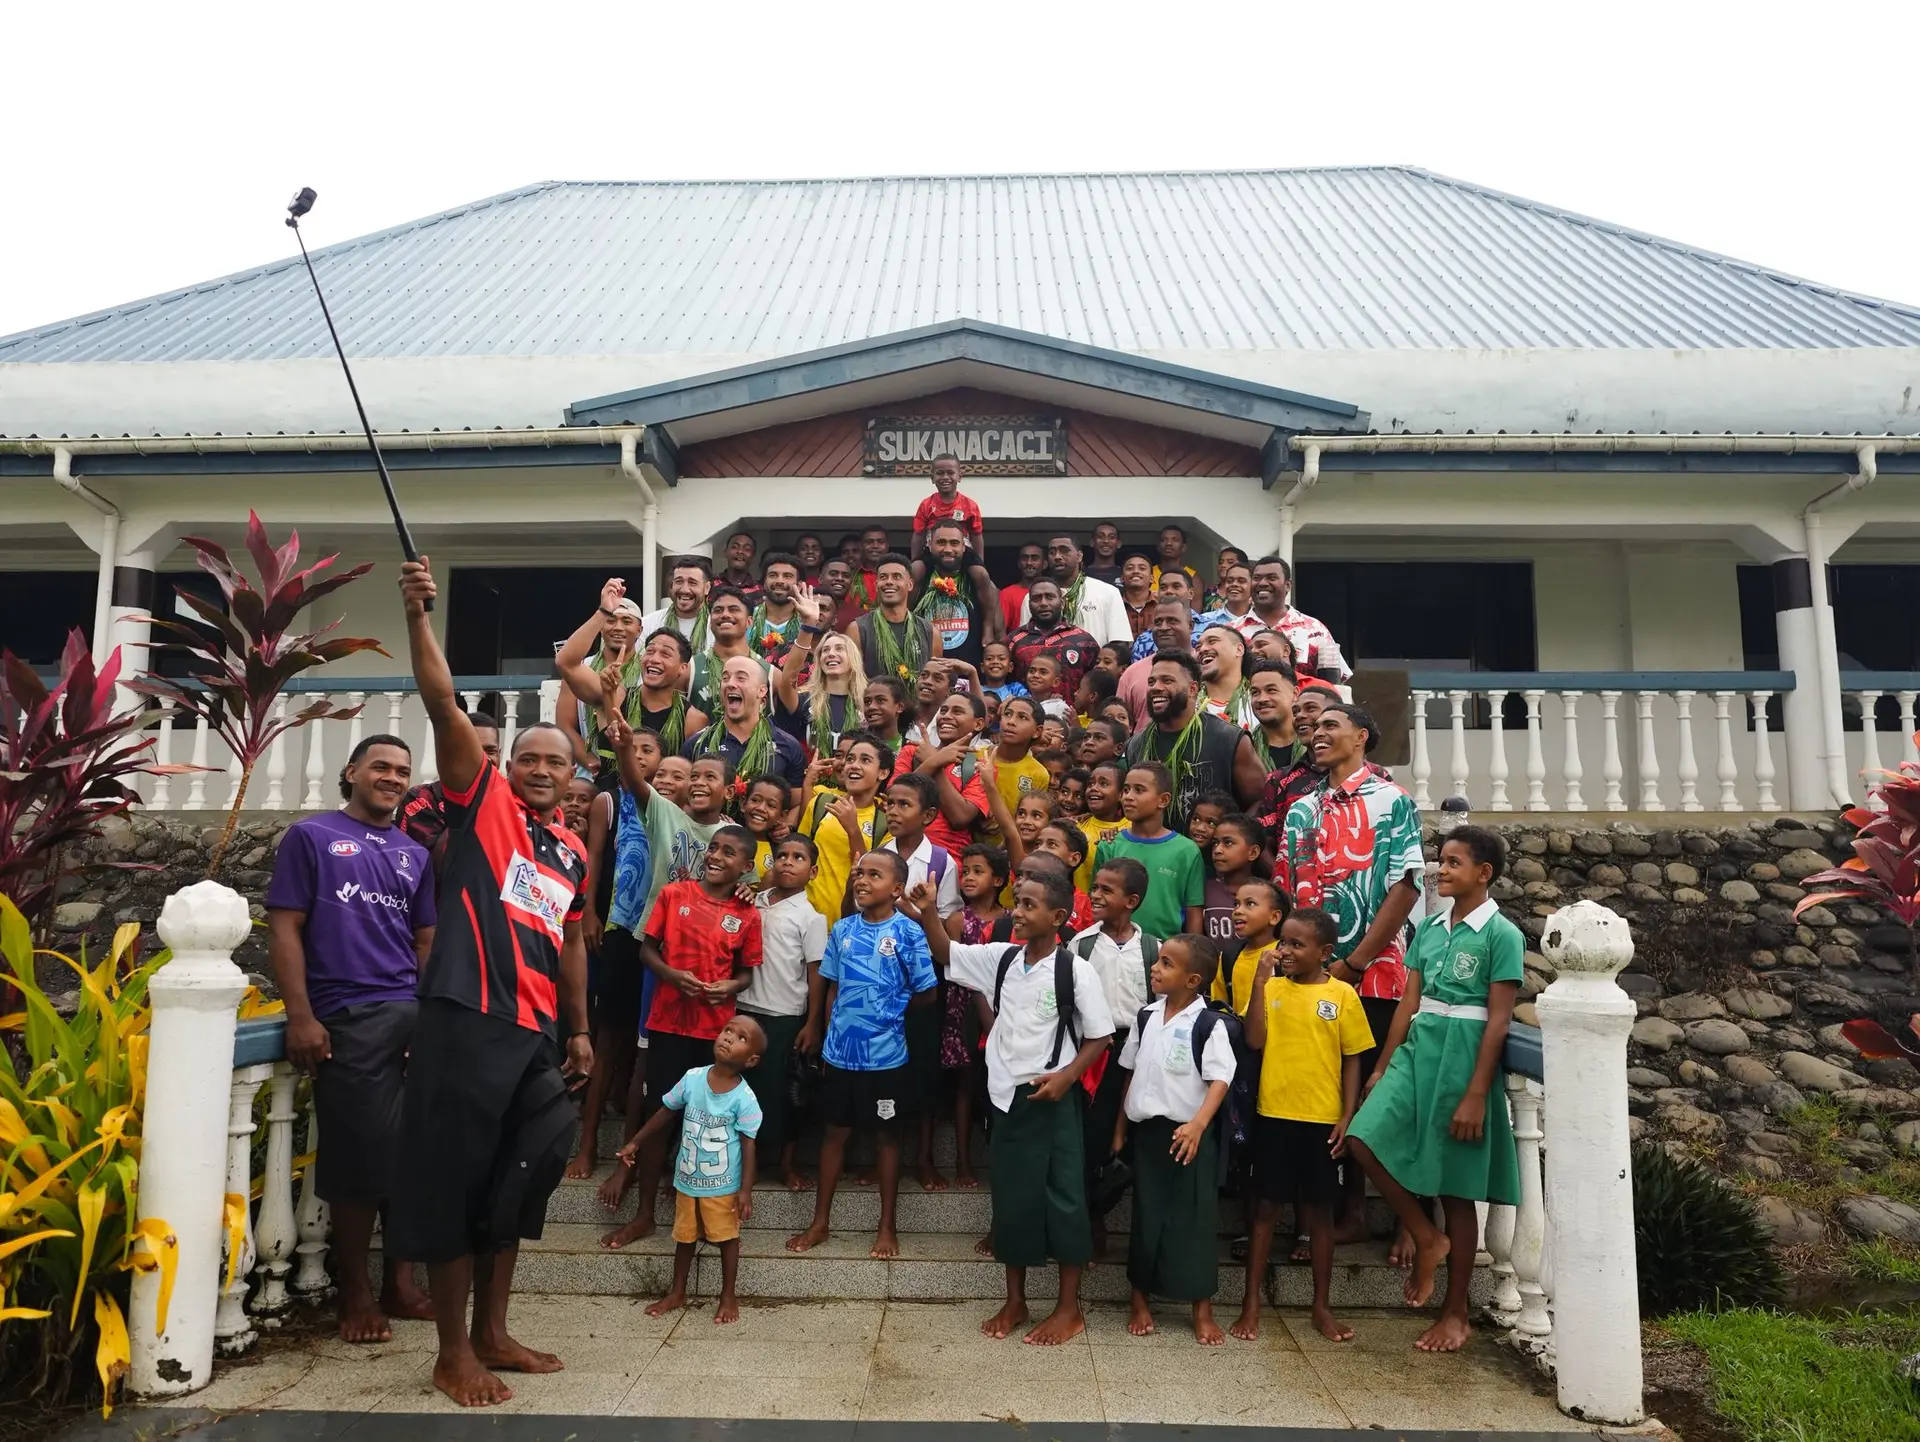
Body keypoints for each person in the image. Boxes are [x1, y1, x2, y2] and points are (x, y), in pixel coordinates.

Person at [388, 557, 592, 1409]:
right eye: (530, 756)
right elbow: (439, 700)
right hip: (464, 1018)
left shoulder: (573, 850)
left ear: (576, 776)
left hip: (533, 1033)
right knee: (453, 1183)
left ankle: (495, 1333)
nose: (542, 769)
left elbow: (571, 938)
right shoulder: (486, 808)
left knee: (521, 1175)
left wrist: (578, 1028)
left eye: (558, 761)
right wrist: (421, 617)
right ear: (506, 764)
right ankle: (450, 1353)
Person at [266, 733, 436, 1344]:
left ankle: (401, 1285)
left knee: (413, 1154)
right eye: (380, 767)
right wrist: (301, 1016)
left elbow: (424, 942)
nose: (392, 777)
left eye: (402, 771)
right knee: (357, 1155)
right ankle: (357, 1295)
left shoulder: (412, 853)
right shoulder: (311, 838)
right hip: (345, 1014)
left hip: (407, 1014)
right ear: (351, 771)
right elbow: (285, 928)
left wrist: (427, 1017)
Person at [907, 866, 1115, 1345]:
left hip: (1052, 1097)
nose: (1017, 913)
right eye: (1017, 902)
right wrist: (928, 911)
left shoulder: (1074, 970)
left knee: (1064, 1199)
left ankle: (1068, 1309)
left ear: (1059, 916)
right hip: (1006, 1097)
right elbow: (947, 952)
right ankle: (1016, 1300)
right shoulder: (1001, 958)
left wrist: (1066, 1077)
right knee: (1011, 1199)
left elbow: (1101, 1035)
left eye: (1028, 905)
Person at [1346, 827, 1525, 1349]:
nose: (1440, 870)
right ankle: (1427, 1236)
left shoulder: (1502, 935)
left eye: (1452, 862)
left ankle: (1456, 1313)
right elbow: (1407, 1002)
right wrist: (1381, 1067)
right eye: (1439, 861)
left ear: (1483, 873)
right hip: (1418, 1048)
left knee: (1456, 1187)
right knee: (1361, 1136)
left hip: (1464, 1058)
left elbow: (1497, 1021)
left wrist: (1475, 1093)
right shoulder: (1427, 928)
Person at [1281, 702, 1424, 1249]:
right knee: (1331, 1092)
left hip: (1377, 974)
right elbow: (1295, 893)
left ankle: (1411, 1218)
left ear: (1362, 737)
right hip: (1316, 979)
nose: (1317, 734)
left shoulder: (1392, 801)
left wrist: (1355, 962)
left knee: (1378, 1091)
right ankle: (1348, 1211)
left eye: (1330, 727)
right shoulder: (1300, 810)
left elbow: (1405, 886)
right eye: (1313, 728)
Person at [602, 826, 764, 1251]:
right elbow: (646, 950)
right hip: (668, 1024)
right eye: (713, 848)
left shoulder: (748, 913)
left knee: (708, 1119)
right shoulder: (675, 895)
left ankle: (706, 1211)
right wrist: (672, 975)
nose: (716, 856)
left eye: (729, 853)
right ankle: (645, 1215)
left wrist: (731, 987)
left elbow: (747, 972)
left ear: (746, 868)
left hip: (716, 1033)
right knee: (661, 1112)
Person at [789, 850, 939, 1259]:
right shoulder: (843, 929)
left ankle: (887, 1226)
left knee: (888, 1138)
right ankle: (820, 1222)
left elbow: (928, 991)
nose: (862, 881)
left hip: (887, 1058)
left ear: (895, 889)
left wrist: (891, 1013)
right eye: (859, 873)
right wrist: (820, 1026)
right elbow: (831, 983)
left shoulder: (909, 932)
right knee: (834, 1134)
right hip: (840, 1055)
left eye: (874, 875)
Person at [1233, 904, 1372, 1345]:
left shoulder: (1342, 996)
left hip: (1322, 1121)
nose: (1286, 951)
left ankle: (1321, 1307)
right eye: (1283, 943)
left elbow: (1354, 1058)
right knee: (1264, 1212)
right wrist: (1259, 985)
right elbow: (1254, 1040)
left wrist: (1347, 1116)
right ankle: (1251, 1303)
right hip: (1273, 1115)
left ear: (1325, 951)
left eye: (1297, 944)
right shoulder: (1272, 989)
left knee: (1319, 1216)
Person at [1112, 933, 1236, 1344]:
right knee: (1147, 1214)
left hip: (1189, 1133)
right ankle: (1139, 1297)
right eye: (1158, 960)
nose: (1155, 968)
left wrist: (1199, 1125)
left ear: (1193, 980)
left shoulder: (1209, 1023)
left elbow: (1220, 1079)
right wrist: (1119, 1130)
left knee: (1195, 1218)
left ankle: (1202, 1307)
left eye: (1167, 963)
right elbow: (1129, 1073)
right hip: (1148, 1133)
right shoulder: (1146, 1016)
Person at [615, 1014, 765, 1324]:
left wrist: (745, 1191)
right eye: (727, 1030)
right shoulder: (693, 1078)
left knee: (726, 1240)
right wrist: (635, 1143)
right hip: (687, 1180)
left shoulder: (745, 1099)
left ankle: (728, 1296)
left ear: (751, 1060)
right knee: (684, 1238)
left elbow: (749, 1147)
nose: (727, 1037)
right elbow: (664, 1113)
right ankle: (677, 1291)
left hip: (723, 1185)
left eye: (739, 1038)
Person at [877, 771, 965, 1190]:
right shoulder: (878, 853)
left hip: (925, 979)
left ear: (929, 814)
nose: (893, 811)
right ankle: (882, 1152)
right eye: (889, 803)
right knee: (885, 1069)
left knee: (924, 1067)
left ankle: (925, 1157)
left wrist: (910, 911)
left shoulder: (941, 862)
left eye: (903, 804)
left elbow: (946, 930)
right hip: (882, 978)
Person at [1071, 856, 1159, 1255]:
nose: (1097, 894)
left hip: (1140, 1052)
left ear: (1132, 900)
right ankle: (1094, 1217)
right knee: (1096, 1133)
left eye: (1107, 889)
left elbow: (1160, 1005)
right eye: (1096, 887)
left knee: (1139, 1134)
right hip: (1098, 1052)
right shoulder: (1082, 944)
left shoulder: (1154, 948)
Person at [742, 835, 830, 1192]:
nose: (787, 862)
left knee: (785, 1091)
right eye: (781, 856)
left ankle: (785, 1163)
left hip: (784, 1014)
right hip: (744, 1007)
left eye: (798, 857)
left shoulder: (811, 917)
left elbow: (816, 973)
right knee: (744, 1087)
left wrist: (812, 1022)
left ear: (813, 871)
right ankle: (740, 1162)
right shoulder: (753, 901)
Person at [559, 582, 709, 766]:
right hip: (609, 794)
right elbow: (566, 662)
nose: (654, 658)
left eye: (666, 654)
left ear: (683, 668)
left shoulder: (693, 719)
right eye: (650, 650)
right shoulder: (616, 696)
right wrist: (603, 612)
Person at [1126, 651, 1265, 828]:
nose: (1155, 687)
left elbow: (1261, 800)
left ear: (1192, 689)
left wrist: (1232, 836)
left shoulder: (1228, 739)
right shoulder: (1136, 745)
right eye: (1151, 682)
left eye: (1167, 680)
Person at [1095, 761, 1204, 941]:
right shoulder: (1109, 844)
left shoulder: (1186, 850)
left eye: (1139, 790)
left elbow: (1193, 910)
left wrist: (1190, 954)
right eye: (1126, 789)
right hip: (1112, 947)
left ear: (1163, 800)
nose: (1128, 797)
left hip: (1165, 949)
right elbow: (1097, 901)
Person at [399, 711, 500, 888]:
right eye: (473, 749)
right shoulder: (422, 800)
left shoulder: (513, 802)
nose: (483, 758)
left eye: (490, 750)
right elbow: (434, 868)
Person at [802, 731, 892, 919]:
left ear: (882, 773)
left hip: (850, 922)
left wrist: (853, 829)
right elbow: (800, 855)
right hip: (806, 918)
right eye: (850, 759)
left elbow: (870, 873)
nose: (853, 766)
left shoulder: (886, 822)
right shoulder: (820, 804)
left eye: (865, 760)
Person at [686, 654, 808, 790]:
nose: (730, 683)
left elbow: (795, 804)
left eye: (741, 678)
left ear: (762, 691)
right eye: (725, 678)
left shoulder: (788, 746)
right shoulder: (697, 743)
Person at [774, 581, 867, 757]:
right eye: (825, 650)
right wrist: (809, 624)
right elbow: (788, 679)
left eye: (840, 649)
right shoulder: (804, 700)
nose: (831, 654)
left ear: (853, 659)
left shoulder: (866, 703)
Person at [903, 691, 994, 859]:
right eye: (943, 711)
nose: (946, 716)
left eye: (957, 711)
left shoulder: (980, 767)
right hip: (899, 855)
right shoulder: (911, 752)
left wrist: (933, 762)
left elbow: (960, 817)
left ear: (979, 724)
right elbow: (896, 799)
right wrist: (934, 761)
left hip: (948, 861)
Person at [912, 517, 1001, 666]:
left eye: (954, 543)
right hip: (927, 670)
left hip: (968, 672)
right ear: (929, 545)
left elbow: (997, 632)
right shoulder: (919, 576)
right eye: (941, 542)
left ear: (964, 547)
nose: (948, 549)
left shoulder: (979, 579)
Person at [1249, 555, 1350, 683]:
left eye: (1272, 578)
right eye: (1257, 578)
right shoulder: (1233, 631)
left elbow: (1335, 682)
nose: (1262, 583)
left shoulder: (1314, 629)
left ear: (1287, 585)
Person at [1023, 533, 1131, 646]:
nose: (1057, 556)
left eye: (1064, 551)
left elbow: (1120, 642)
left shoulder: (1108, 592)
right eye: (1052, 552)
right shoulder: (1033, 597)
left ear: (1079, 556)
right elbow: (1024, 641)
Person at [849, 553, 941, 686]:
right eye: (883, 577)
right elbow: (853, 681)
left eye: (897, 577)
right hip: (873, 705)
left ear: (910, 585)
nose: (889, 582)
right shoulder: (858, 629)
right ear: (876, 585)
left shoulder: (931, 633)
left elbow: (935, 683)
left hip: (917, 705)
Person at [1008, 578, 1100, 700]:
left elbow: (1097, 686)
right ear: (1029, 604)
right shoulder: (1013, 641)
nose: (1043, 603)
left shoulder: (1085, 641)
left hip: (1072, 717)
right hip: (1026, 715)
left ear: (1062, 603)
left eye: (1050, 597)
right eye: (1036, 598)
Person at [1118, 597, 1194, 725]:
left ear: (1190, 626)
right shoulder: (1132, 674)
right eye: (1158, 622)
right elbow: (1119, 726)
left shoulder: (1206, 668)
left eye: (1172, 621)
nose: (1163, 628)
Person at [1203, 814, 1264, 963]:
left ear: (1253, 853)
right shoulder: (1207, 889)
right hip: (1216, 979)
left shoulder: (1265, 893)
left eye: (1228, 843)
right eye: (1215, 843)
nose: (1217, 850)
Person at [687, 586, 756, 717]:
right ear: (710, 621)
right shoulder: (689, 669)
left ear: (749, 621)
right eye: (718, 610)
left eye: (733, 609)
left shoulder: (769, 673)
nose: (725, 614)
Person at [911, 453, 986, 559]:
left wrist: (980, 562)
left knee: (980, 574)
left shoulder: (970, 506)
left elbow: (976, 535)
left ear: (959, 476)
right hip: (932, 549)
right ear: (932, 478)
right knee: (917, 570)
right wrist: (914, 560)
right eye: (940, 473)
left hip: (961, 550)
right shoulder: (926, 505)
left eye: (950, 473)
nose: (945, 477)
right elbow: (918, 535)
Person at [1076, 760, 1128, 892]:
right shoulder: (1077, 826)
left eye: (1103, 783)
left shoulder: (1131, 830)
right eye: (1091, 783)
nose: (1094, 788)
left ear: (1121, 794)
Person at [1245, 657, 1303, 775]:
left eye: (1271, 690)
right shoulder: (1244, 749)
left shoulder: (1315, 744)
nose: (1262, 699)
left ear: (1295, 693)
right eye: (1255, 692)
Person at [642, 555, 712, 649]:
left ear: (707, 588)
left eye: (692, 583)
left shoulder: (716, 625)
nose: (685, 590)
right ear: (672, 586)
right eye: (679, 582)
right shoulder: (648, 624)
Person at [1196, 625, 1257, 730]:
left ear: (1238, 649)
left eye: (1212, 641)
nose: (1202, 649)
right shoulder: (1187, 704)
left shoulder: (1259, 701)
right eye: (1198, 647)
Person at [747, 551, 805, 662]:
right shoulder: (747, 619)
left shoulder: (807, 622)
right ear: (764, 582)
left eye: (788, 576)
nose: (779, 581)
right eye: (773, 575)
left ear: (799, 585)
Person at [1197, 558, 1260, 641]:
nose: (1234, 584)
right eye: (1229, 581)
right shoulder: (1204, 620)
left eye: (1241, 581)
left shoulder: (1260, 622)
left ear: (1253, 586)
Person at [999, 542, 1046, 634]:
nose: (1029, 563)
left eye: (1034, 558)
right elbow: (1000, 631)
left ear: (1044, 564)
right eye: (1025, 558)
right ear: (1019, 564)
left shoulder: (1053, 593)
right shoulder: (1007, 593)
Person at [1150, 525, 1200, 593]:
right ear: (1158, 546)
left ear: (1183, 547)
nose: (1168, 543)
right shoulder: (1148, 574)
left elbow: (1196, 603)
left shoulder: (1193, 578)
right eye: (1164, 540)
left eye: (1175, 540)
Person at [719, 530, 763, 607]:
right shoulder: (710, 586)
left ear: (753, 556)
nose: (740, 551)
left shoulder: (761, 591)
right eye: (735, 547)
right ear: (725, 552)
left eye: (747, 548)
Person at [821, 556, 862, 633]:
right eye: (833, 574)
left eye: (846, 576)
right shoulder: (806, 611)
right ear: (820, 579)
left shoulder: (862, 617)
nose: (840, 578)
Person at [1119, 552, 1155, 638]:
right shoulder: (1114, 606)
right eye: (1130, 568)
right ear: (1122, 578)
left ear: (1151, 578)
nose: (1136, 571)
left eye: (1142, 568)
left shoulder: (1162, 606)